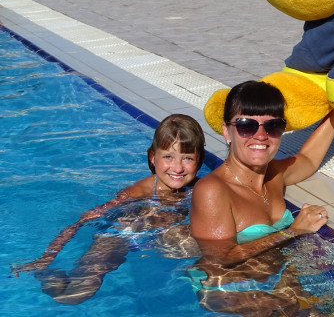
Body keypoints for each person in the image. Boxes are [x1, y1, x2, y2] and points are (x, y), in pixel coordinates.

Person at [12, 114, 206, 304]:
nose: (178, 168)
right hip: (119, 236)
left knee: (201, 247)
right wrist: (47, 257)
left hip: (160, 236)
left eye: (188, 158)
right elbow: (83, 220)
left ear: (200, 160)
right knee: (75, 294)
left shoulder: (201, 188)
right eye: (168, 157)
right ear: (153, 157)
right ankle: (45, 275)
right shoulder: (137, 192)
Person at [189, 81, 334, 312]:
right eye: (246, 126)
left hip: (269, 280)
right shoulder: (213, 190)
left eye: (273, 126)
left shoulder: (274, 174)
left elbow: (308, 161)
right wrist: (293, 231)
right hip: (225, 289)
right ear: (227, 131)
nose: (261, 136)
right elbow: (221, 258)